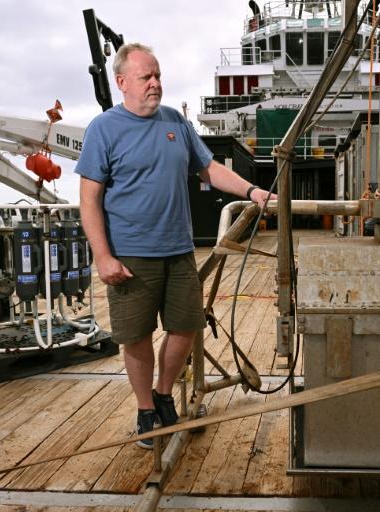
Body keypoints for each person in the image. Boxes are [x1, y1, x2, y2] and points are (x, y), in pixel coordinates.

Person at [76, 43, 275, 448]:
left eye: (158, 75)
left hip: (178, 250)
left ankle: (164, 394)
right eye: (146, 77)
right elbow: (89, 199)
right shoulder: (104, 129)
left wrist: (252, 190)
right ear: (121, 83)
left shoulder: (175, 124)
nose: (155, 83)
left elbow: (210, 169)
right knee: (136, 337)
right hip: (130, 254)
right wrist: (103, 256)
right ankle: (146, 409)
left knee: (186, 328)